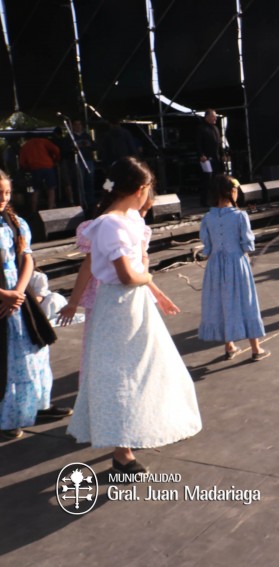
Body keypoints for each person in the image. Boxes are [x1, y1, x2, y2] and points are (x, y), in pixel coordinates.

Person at [66, 157, 202, 474]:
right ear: (141, 189)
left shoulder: (130, 221)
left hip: (133, 303)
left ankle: (131, 434)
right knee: (121, 374)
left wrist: (156, 293)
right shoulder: (110, 224)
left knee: (149, 368)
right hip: (117, 306)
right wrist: (150, 281)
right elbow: (129, 275)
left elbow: (137, 271)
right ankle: (121, 450)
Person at [0, 170, 71, 440]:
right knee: (5, 360)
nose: (3, 198)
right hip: (3, 300)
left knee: (33, 354)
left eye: (6, 192)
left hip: (19, 299)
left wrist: (18, 291)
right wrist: (3, 294)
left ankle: (37, 406)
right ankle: (7, 417)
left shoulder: (15, 222)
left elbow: (28, 258)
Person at [199, 175, 268, 361]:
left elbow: (207, 247)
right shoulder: (240, 216)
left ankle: (229, 346)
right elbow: (247, 244)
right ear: (232, 192)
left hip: (215, 266)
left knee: (221, 302)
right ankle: (256, 348)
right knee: (246, 301)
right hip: (237, 263)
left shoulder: (207, 217)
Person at [19, 134, 61, 212]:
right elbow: (56, 149)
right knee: (51, 188)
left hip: (35, 169)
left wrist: (27, 167)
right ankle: (51, 209)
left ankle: (34, 210)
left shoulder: (25, 146)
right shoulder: (43, 141)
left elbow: (22, 162)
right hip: (48, 167)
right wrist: (56, 160)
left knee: (36, 190)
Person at [197, 109, 223, 207]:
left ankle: (216, 200)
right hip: (206, 158)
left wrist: (223, 154)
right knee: (207, 180)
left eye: (215, 116)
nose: (215, 118)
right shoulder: (201, 128)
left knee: (217, 179)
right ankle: (204, 201)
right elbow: (198, 143)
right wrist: (201, 155)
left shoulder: (216, 128)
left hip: (216, 157)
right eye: (213, 116)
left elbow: (219, 143)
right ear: (207, 117)